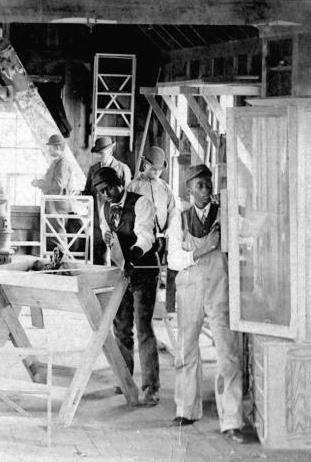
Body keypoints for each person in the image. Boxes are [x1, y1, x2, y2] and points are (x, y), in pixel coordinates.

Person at [168, 165, 249, 444]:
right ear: (188, 189)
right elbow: (173, 260)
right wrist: (203, 249)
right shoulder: (179, 219)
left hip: (218, 288)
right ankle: (186, 409)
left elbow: (246, 234)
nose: (206, 190)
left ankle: (231, 420)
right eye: (200, 185)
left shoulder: (223, 215)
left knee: (227, 351)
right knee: (186, 348)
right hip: (189, 288)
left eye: (208, 185)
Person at [93, 166, 161, 406]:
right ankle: (125, 379)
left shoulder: (141, 203)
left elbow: (146, 236)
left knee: (143, 328)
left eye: (109, 188)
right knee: (121, 328)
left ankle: (151, 386)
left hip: (143, 270)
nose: (107, 194)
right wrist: (109, 238)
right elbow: (105, 230)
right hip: (122, 272)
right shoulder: (104, 207)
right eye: (101, 192)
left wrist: (133, 252)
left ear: (120, 182)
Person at [126, 146, 183, 311]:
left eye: (159, 170)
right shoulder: (133, 187)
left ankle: (160, 306)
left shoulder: (165, 187)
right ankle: (138, 305)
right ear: (144, 165)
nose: (156, 173)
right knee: (140, 271)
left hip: (161, 237)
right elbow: (127, 213)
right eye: (153, 169)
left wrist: (169, 229)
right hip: (141, 238)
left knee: (159, 271)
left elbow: (173, 210)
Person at [84, 136, 131, 265]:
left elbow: (127, 197)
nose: (99, 156)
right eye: (97, 153)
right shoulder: (93, 170)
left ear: (110, 150)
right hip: (97, 221)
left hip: (117, 221)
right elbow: (87, 192)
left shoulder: (122, 169)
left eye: (102, 153)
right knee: (99, 259)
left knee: (118, 259)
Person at [31, 133, 77, 251]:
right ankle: (57, 263)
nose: (49, 149)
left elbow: (58, 185)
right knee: (54, 237)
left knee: (58, 237)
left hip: (57, 206)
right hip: (53, 205)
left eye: (50, 147)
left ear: (58, 147)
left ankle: (63, 262)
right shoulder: (57, 163)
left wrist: (39, 183)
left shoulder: (63, 163)